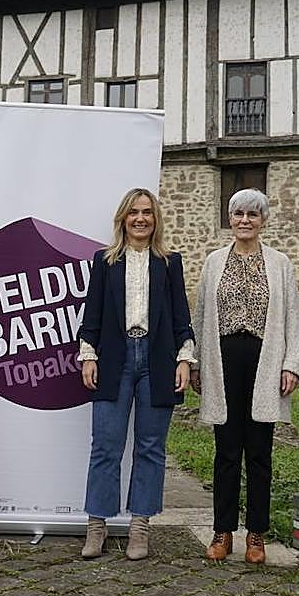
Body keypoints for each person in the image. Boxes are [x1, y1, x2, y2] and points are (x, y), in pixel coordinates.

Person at [77, 188, 195, 561]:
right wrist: (88, 355)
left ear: (155, 219)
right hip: (115, 358)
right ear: (123, 219)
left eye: (147, 212)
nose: (141, 218)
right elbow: (92, 314)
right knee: (105, 446)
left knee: (150, 448)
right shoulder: (105, 261)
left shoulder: (169, 262)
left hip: (157, 360)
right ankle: (97, 526)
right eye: (133, 213)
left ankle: (140, 527)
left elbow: (180, 317)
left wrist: (184, 359)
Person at [192, 188, 299, 565]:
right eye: (238, 214)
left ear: (263, 221)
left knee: (259, 451)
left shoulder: (280, 263)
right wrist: (196, 364)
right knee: (226, 450)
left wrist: (290, 364)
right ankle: (222, 532)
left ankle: (256, 534)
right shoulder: (212, 262)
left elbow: (291, 317)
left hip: (264, 359)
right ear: (230, 218)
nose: (244, 221)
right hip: (223, 360)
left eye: (253, 215)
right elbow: (201, 316)